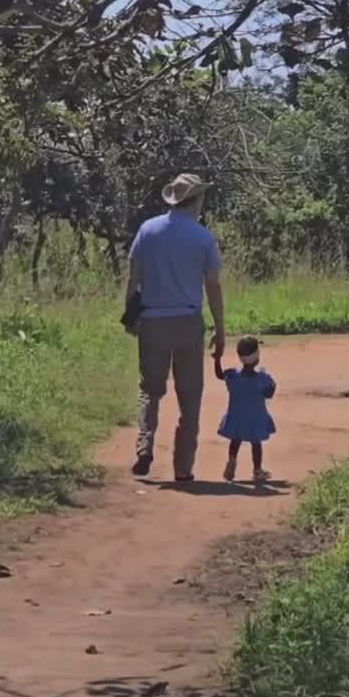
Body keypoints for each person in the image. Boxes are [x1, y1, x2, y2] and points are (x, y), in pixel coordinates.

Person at [124, 172, 225, 480]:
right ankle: (183, 468)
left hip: (153, 320)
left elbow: (133, 278)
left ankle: (144, 446)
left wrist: (131, 316)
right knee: (190, 397)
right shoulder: (202, 237)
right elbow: (213, 285)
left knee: (150, 390)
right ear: (195, 201)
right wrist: (220, 328)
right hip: (188, 322)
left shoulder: (147, 230)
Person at [215, 336, 276, 483]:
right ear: (256, 358)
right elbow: (269, 394)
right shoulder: (262, 378)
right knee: (256, 444)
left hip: (236, 416)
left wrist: (217, 359)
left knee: (235, 441)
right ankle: (257, 470)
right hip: (256, 417)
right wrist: (271, 383)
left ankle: (231, 464)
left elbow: (219, 375)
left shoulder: (233, 376)